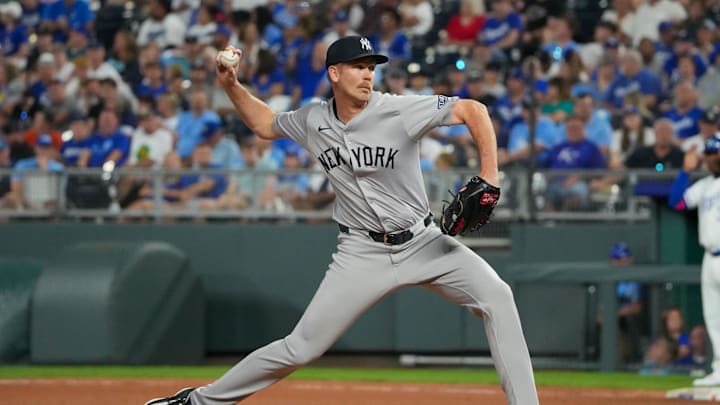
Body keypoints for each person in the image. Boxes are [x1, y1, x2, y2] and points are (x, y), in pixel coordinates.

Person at [145, 35, 538, 405]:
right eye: (358, 66)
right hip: (361, 251)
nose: (368, 74)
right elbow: (265, 123)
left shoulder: (398, 110)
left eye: (371, 66)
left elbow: (473, 109)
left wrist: (490, 174)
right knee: (301, 346)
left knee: (498, 297)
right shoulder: (314, 119)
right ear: (334, 73)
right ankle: (197, 400)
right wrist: (231, 85)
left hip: (424, 243)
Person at [669, 133, 720, 386]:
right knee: (713, 315)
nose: (713, 158)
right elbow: (677, 202)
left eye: (716, 153)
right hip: (709, 257)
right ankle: (719, 369)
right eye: (710, 154)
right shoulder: (707, 186)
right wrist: (685, 171)